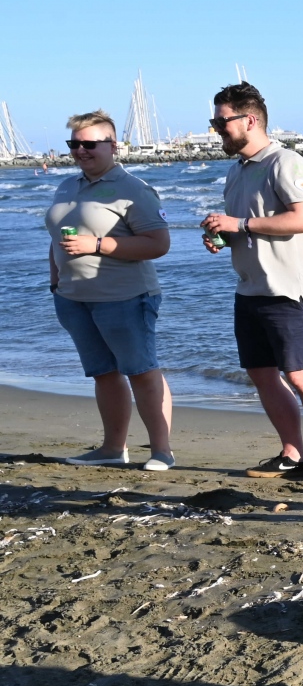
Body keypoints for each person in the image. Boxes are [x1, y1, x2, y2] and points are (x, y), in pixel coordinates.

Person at [201, 83, 303, 482]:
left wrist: (240, 224)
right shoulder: (237, 171)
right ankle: (292, 453)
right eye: (214, 122)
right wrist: (222, 236)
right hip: (251, 289)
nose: (217, 129)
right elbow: (247, 227)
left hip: (290, 290)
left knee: (300, 375)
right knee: (262, 375)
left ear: (249, 120)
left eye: (222, 121)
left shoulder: (286, 162)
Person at [47, 110, 175, 470]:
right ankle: (113, 449)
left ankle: (162, 451)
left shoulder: (133, 189)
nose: (80, 151)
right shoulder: (67, 185)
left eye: (90, 144)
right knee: (103, 373)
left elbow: (158, 244)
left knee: (141, 371)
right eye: (74, 144)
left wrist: (97, 245)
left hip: (125, 297)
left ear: (113, 145)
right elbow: (55, 240)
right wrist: (55, 280)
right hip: (73, 297)